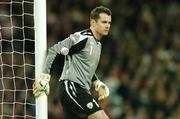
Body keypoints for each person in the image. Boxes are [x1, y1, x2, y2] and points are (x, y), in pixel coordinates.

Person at [33, 6, 112, 119]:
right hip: (72, 88)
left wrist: (96, 82)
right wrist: (45, 77)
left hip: (81, 90)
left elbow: (83, 64)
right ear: (93, 23)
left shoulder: (98, 44)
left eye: (109, 22)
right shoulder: (82, 38)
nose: (107, 25)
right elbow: (54, 50)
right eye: (104, 22)